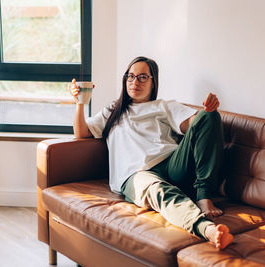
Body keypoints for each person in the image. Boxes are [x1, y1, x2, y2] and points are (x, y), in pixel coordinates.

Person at [70, 56, 233, 249]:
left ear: (153, 81)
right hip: (137, 175)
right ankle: (207, 229)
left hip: (172, 165)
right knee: (159, 191)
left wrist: (207, 111)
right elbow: (81, 132)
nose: (134, 82)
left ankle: (203, 196)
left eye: (142, 77)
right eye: (130, 77)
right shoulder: (114, 110)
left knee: (209, 116)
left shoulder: (163, 106)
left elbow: (191, 123)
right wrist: (79, 103)